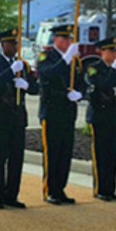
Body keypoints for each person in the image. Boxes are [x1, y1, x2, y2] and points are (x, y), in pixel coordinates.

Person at [0, 28, 38, 210]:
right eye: (11, 44)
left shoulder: (23, 65)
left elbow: (36, 89)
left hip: (17, 117)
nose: (14, 47)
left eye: (16, 44)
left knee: (16, 159)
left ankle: (12, 195)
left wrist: (26, 84)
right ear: (2, 45)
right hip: (0, 116)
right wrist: (10, 72)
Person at [36, 24, 84, 205]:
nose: (67, 42)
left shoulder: (74, 60)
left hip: (68, 111)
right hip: (52, 111)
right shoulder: (47, 56)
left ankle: (61, 188)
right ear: (56, 39)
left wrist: (79, 94)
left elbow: (81, 82)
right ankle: (50, 190)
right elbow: (47, 73)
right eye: (64, 39)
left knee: (65, 153)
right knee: (52, 153)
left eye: (69, 39)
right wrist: (65, 58)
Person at [84, 37, 116, 202]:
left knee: (113, 154)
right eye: (112, 51)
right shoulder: (94, 68)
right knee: (101, 153)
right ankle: (100, 188)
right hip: (100, 115)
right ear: (102, 52)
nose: (115, 54)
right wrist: (114, 71)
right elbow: (102, 84)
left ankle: (111, 188)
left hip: (115, 116)